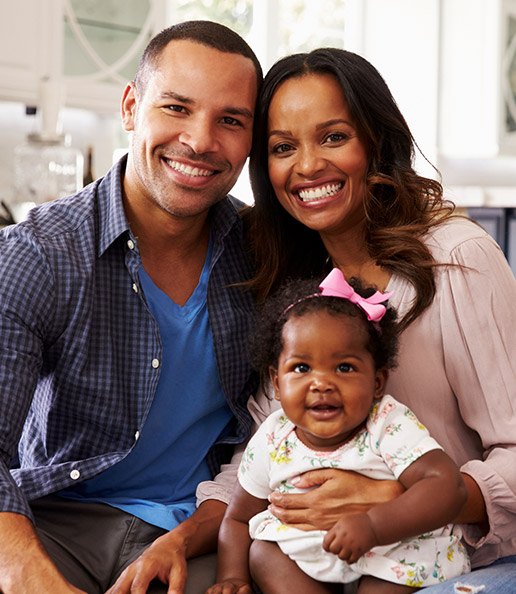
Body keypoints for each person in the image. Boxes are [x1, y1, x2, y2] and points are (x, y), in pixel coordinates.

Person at [0, 20, 263, 594]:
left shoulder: (263, 256)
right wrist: (29, 578)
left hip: (194, 529)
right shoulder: (37, 256)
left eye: (231, 120)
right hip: (50, 521)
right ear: (130, 107)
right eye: (176, 107)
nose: (199, 140)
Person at [245, 48, 516, 591]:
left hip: (444, 561)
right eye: (282, 147)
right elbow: (265, 447)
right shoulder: (293, 288)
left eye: (333, 137)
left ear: (377, 142)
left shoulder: (457, 258)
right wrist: (185, 537)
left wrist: (405, 500)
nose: (306, 166)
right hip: (317, 560)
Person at [208, 269, 470, 594]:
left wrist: (374, 526)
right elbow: (238, 519)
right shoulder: (273, 437)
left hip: (393, 551)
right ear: (277, 382)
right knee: (263, 552)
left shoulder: (387, 423)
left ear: (377, 383)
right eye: (301, 368)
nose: (321, 384)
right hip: (306, 552)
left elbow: (447, 486)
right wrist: (231, 576)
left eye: (344, 367)